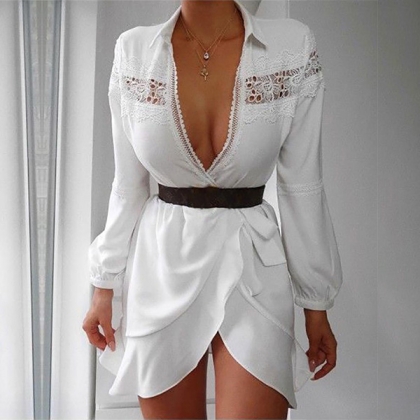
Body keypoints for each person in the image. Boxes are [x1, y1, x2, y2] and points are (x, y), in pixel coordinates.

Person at [82, 0, 343, 419]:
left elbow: (303, 186)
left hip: (253, 270)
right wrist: (103, 285)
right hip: (160, 270)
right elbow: (128, 186)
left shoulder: (290, 50)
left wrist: (316, 304)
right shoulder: (133, 52)